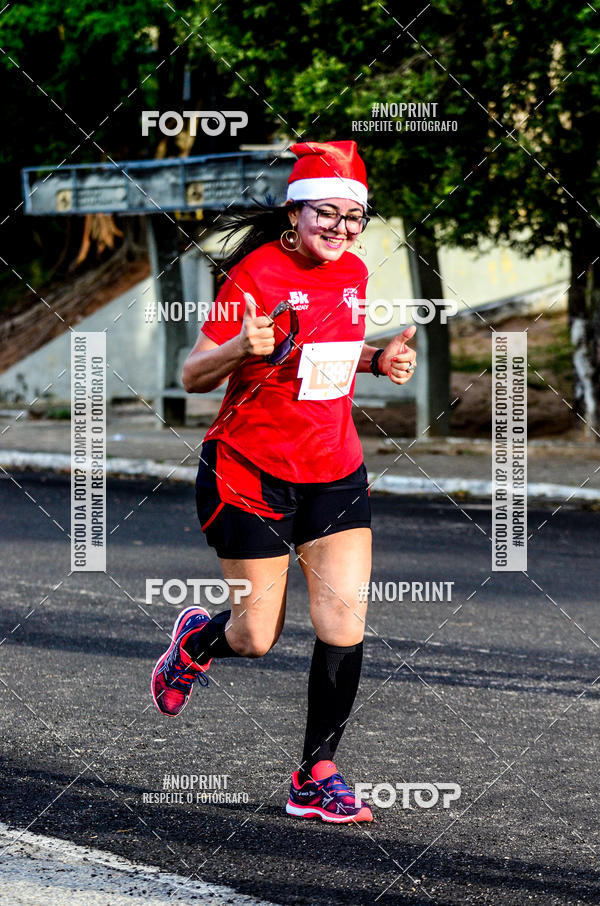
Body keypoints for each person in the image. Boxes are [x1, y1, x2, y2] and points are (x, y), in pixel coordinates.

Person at [151, 140, 417, 824]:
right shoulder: (254, 274)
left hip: (334, 469)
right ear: (294, 213)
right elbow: (193, 374)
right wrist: (241, 347)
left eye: (353, 217)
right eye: (326, 213)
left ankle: (315, 774)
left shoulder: (353, 273)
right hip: (249, 470)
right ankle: (196, 643)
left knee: (343, 621)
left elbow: (327, 352)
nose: (341, 228)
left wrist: (377, 360)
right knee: (255, 637)